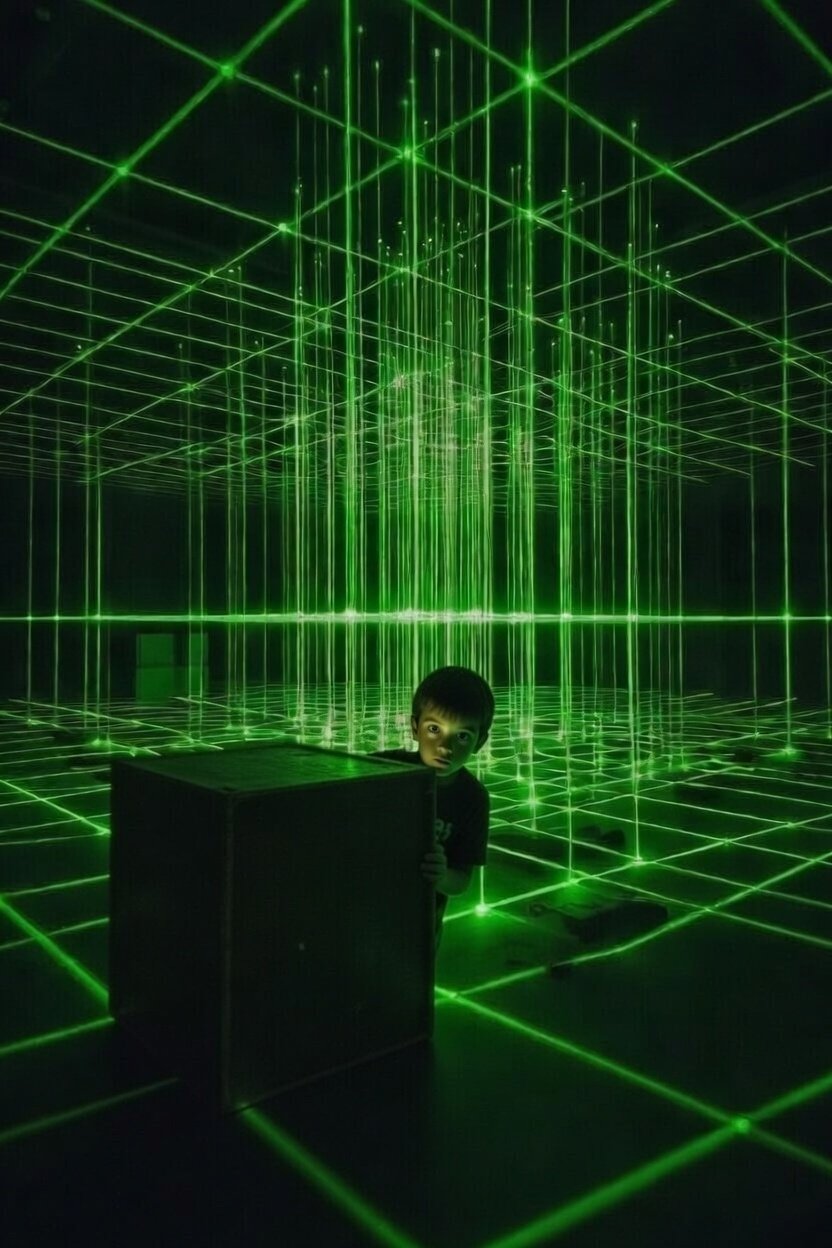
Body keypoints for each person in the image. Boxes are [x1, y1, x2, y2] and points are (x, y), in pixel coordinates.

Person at [375, 666, 494, 947]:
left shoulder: (473, 798)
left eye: (462, 736)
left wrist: (441, 877)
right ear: (415, 727)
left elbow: (462, 881)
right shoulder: (381, 770)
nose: (445, 746)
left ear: (480, 742)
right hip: (370, 904)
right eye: (434, 729)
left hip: (422, 920)